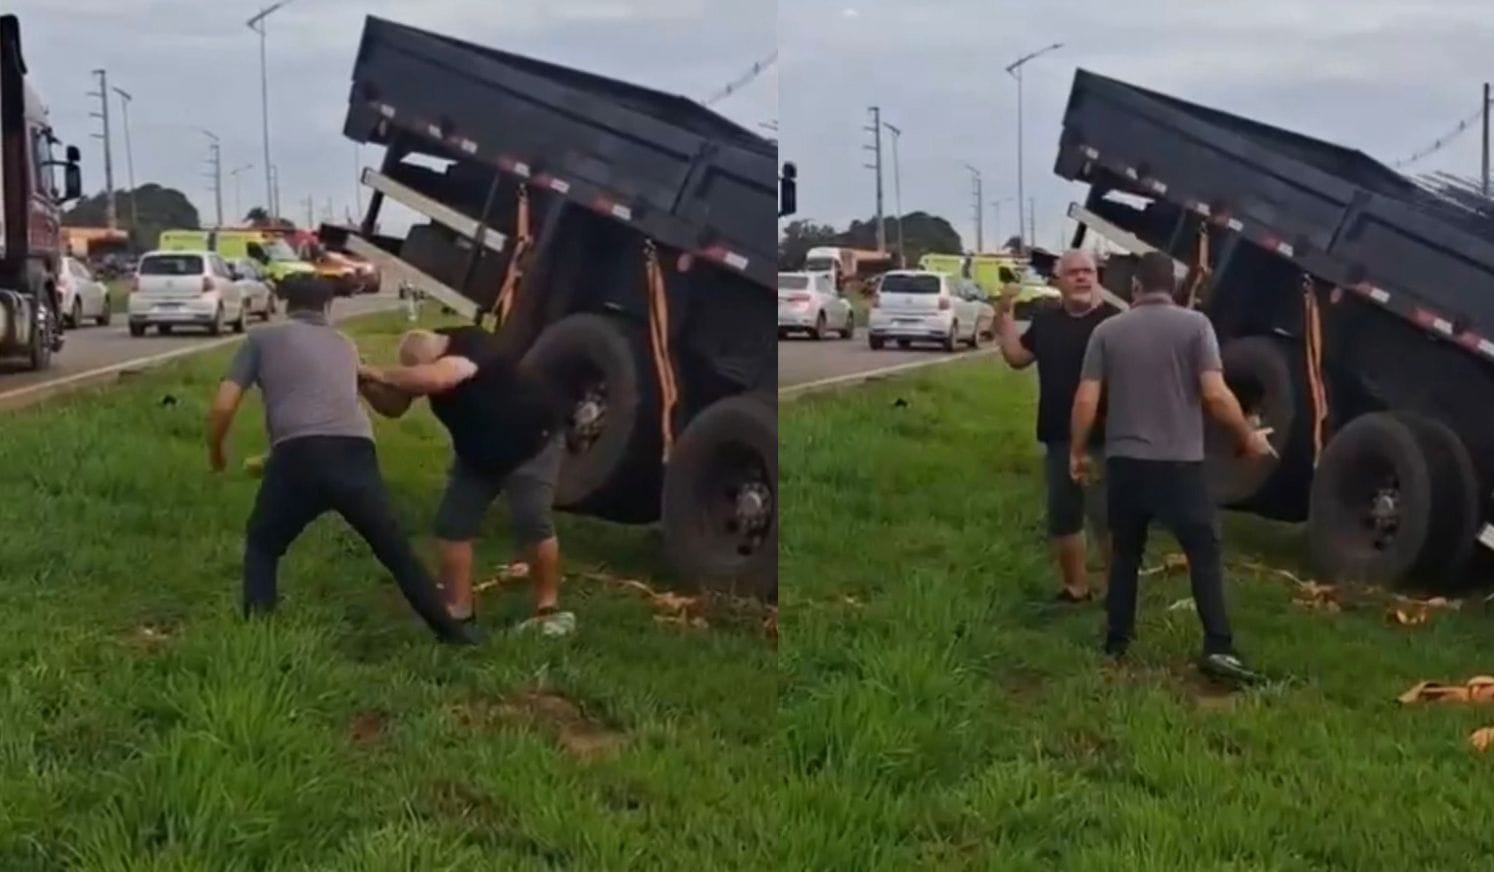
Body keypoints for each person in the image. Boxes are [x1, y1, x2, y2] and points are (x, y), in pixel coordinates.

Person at [206, 274, 482, 645]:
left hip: (297, 456)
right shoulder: (345, 345)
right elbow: (368, 402)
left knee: (263, 545)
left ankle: (259, 637)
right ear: (328, 307)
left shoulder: (261, 339)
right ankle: (454, 636)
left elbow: (224, 404)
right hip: (355, 453)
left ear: (285, 302)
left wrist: (217, 452)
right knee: (396, 552)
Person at [1069, 251, 1273, 683]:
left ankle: (1117, 643)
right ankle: (1218, 647)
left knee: (1125, 555)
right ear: (1174, 287)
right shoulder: (1196, 327)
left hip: (1125, 464)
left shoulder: (1107, 331)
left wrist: (1077, 451)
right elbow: (1216, 395)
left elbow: (1086, 399)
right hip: (1179, 467)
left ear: (1135, 287)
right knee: (1203, 553)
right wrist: (1246, 437)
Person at [358, 326, 574, 637]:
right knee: (452, 526)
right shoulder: (431, 363)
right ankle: (459, 609)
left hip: (531, 445)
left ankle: (547, 608)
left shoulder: (472, 343)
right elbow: (394, 408)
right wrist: (364, 382)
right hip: (478, 457)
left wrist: (379, 371)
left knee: (532, 520)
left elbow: (439, 378)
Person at [995, 250, 1119, 602]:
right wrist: (1003, 317)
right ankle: (1075, 587)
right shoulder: (1046, 322)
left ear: (1097, 278)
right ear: (1058, 280)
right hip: (1057, 435)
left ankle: (1118, 591)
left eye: (1088, 272)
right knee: (1064, 518)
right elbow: (1018, 358)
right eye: (1074, 272)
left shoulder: (1113, 323)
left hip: (1104, 438)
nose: (1082, 278)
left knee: (1108, 519)